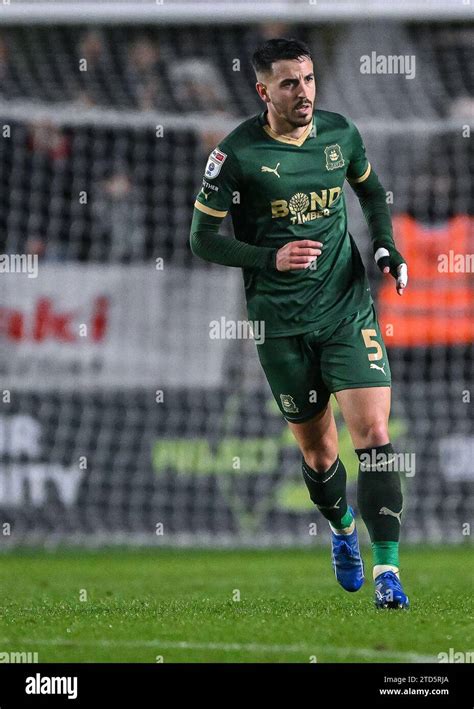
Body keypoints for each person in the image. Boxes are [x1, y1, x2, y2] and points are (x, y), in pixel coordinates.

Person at [190, 38, 409, 609]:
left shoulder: (341, 135)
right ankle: (341, 531)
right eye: (289, 83)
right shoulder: (234, 154)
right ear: (264, 91)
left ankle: (388, 571)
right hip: (280, 323)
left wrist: (387, 248)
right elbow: (202, 238)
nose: (303, 92)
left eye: (308, 79)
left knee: (376, 435)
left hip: (345, 307)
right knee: (319, 454)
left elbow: (372, 192)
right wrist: (269, 258)